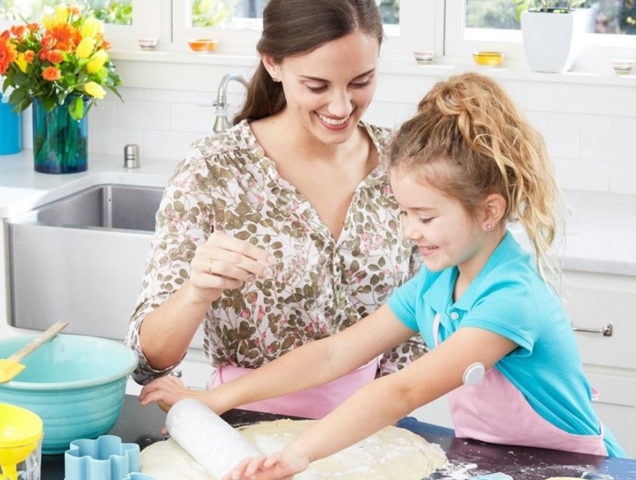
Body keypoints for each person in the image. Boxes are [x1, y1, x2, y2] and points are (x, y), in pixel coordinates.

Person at [141, 72, 626, 480]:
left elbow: (403, 392)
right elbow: (336, 352)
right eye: (404, 213)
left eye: (426, 217)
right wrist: (215, 399)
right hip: (500, 465)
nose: (410, 231)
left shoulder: (510, 297)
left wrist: (300, 455)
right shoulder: (438, 284)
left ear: (489, 211)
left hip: (574, 475)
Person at [125, 0, 426, 418]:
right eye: (317, 86)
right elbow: (148, 363)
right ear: (272, 63)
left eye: (361, 81)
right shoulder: (214, 169)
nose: (341, 108)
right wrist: (197, 292)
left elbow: (419, 325)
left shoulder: (404, 164)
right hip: (241, 426)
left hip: (372, 427)